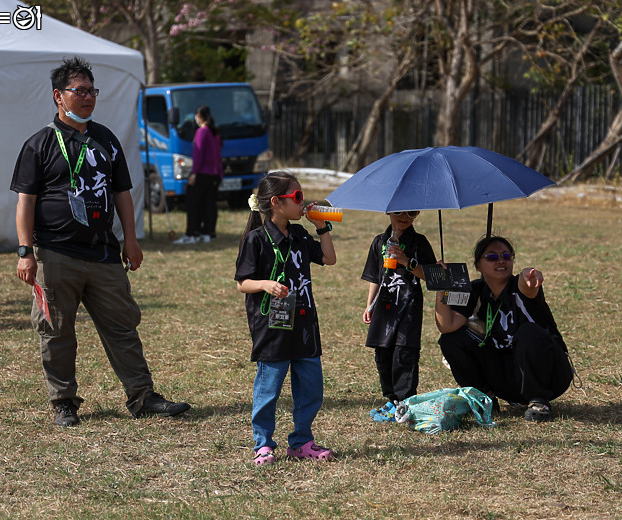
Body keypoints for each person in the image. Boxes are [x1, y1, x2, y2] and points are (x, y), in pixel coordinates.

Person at [11, 56, 190, 426]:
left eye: (92, 90)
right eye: (80, 90)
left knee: (123, 326)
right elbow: (25, 202)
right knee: (57, 330)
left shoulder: (105, 138)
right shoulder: (40, 144)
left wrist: (131, 239)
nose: (89, 97)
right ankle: (63, 401)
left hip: (104, 252)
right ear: (59, 96)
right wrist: (26, 252)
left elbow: (123, 191)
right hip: (56, 253)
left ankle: (143, 397)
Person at [235, 171, 337, 465]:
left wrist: (322, 227)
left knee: (311, 387)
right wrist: (265, 284)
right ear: (277, 203)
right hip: (274, 327)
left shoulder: (301, 235)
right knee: (269, 389)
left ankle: (302, 441)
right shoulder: (256, 239)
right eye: (298, 197)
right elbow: (242, 282)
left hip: (304, 323)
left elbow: (329, 259)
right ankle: (263, 444)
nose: (303, 202)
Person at [434, 235, 573, 422]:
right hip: (508, 376)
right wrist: (441, 289)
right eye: (492, 257)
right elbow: (446, 325)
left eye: (506, 256)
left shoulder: (519, 287)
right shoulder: (475, 291)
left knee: (527, 332)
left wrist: (528, 275)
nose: (500, 261)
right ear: (478, 266)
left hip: (550, 373)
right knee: (451, 340)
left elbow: (528, 287)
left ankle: (539, 401)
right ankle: (485, 399)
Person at [362, 210, 436, 407]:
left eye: (411, 212)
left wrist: (407, 261)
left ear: (418, 213)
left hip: (409, 305)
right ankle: (391, 398)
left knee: (404, 352)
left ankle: (405, 399)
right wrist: (370, 304)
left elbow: (430, 276)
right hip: (384, 305)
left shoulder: (420, 242)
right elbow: (374, 277)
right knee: (382, 352)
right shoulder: (379, 241)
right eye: (398, 212)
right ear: (388, 211)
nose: (404, 216)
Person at [174, 105, 223, 245]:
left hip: (202, 173)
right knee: (209, 204)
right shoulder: (215, 132)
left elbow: (198, 154)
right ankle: (208, 232)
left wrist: (193, 173)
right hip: (213, 174)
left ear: (199, 116)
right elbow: (218, 155)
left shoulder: (202, 132)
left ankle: (192, 233)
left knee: (193, 204)